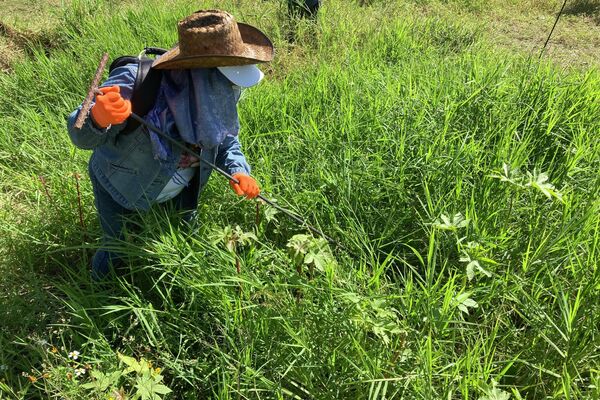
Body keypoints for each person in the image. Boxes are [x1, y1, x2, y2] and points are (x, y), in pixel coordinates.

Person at [67, 10, 274, 280]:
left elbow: (225, 139)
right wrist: (98, 117)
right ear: (200, 72)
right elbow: (80, 135)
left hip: (182, 189)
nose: (233, 93)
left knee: (185, 235)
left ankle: (180, 282)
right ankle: (98, 293)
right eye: (229, 84)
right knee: (117, 248)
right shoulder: (139, 82)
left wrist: (239, 169)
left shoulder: (219, 96)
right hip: (121, 185)